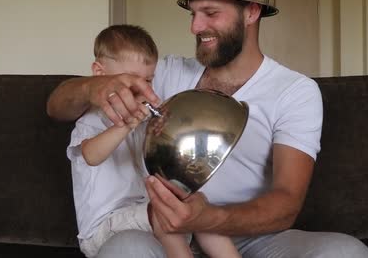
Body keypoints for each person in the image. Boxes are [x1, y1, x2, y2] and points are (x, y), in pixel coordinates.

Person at [49, 0, 368, 257]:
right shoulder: (161, 74)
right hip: (162, 234)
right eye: (193, 14)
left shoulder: (294, 91)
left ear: (251, 11)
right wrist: (94, 87)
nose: (195, 27)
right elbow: (57, 105)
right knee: (124, 250)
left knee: (346, 252)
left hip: (248, 239)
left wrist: (208, 217)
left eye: (210, 13)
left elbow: (287, 201)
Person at [67, 24, 241, 258]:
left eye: (148, 81)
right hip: (103, 229)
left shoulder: (140, 122)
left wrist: (160, 129)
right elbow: (91, 154)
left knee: (197, 208)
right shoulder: (91, 121)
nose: (143, 90)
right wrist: (126, 125)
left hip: (143, 220)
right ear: (100, 74)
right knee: (163, 210)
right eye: (133, 82)